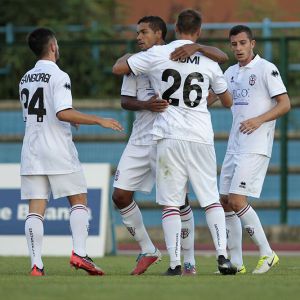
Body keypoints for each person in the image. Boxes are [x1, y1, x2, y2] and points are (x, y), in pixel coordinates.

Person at [113, 9, 237, 276]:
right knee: (211, 200)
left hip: (168, 135)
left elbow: (119, 67)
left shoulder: (159, 54)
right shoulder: (208, 60)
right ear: (199, 30)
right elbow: (227, 100)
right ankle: (223, 258)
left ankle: (176, 263)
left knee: (171, 203)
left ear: (174, 28)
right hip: (200, 135)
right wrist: (203, 100)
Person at [19, 27, 123, 276]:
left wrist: (69, 118)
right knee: (78, 199)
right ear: (53, 46)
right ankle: (79, 252)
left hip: (32, 150)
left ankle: (36, 265)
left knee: (36, 208)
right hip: (57, 149)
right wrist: (98, 120)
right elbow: (61, 111)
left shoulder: (25, 78)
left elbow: (44, 111)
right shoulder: (59, 75)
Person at [218, 25, 290, 274]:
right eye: (234, 44)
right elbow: (211, 98)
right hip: (234, 145)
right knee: (225, 201)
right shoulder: (229, 72)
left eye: (242, 43)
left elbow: (285, 104)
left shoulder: (265, 68)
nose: (238, 48)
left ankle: (267, 254)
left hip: (256, 145)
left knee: (238, 200)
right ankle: (236, 263)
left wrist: (258, 120)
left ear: (252, 43)